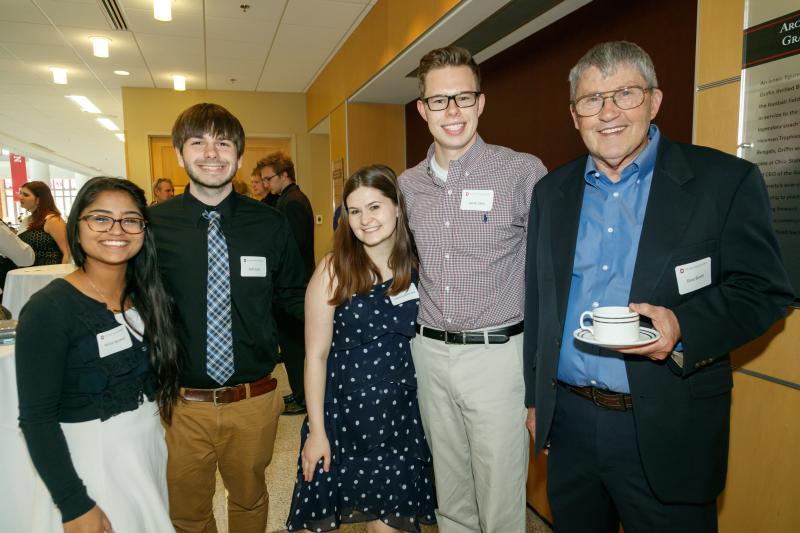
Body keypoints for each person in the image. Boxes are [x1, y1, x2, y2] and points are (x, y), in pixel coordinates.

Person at [523, 41, 794, 533]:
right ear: (574, 115)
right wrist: (536, 399)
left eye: (625, 93)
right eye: (592, 99)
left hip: (671, 425)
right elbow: (538, 303)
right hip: (571, 427)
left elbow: (763, 290)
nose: (608, 112)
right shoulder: (550, 193)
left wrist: (683, 326)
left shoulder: (723, 182)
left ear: (655, 101)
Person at [398, 45, 547, 532]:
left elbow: (549, 271)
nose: (453, 111)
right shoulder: (406, 186)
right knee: (450, 493)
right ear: (422, 109)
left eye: (463, 98)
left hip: (497, 358)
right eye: (439, 101)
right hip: (429, 355)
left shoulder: (522, 172)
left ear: (481, 102)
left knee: (501, 496)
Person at [149, 102, 307, 533]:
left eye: (223, 143)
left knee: (250, 500)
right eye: (197, 142)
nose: (211, 153)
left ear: (238, 156)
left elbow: (294, 296)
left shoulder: (270, 224)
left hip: (252, 401)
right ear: (179, 154)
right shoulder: (152, 226)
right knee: (188, 513)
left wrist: (346, 318)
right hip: (181, 404)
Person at [16, 176, 181, 532]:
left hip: (145, 454)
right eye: (101, 218)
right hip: (93, 466)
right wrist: (74, 504)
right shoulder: (49, 309)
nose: (116, 230)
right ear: (77, 226)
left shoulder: (146, 295)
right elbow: (36, 418)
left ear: (144, 229)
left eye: (130, 220)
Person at [287, 164, 436, 533]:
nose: (365, 220)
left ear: (397, 207)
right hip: (344, 418)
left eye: (374, 207)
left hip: (403, 419)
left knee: (392, 526)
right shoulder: (333, 269)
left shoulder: (419, 267)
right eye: (354, 210)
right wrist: (317, 432)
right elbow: (315, 357)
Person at [258, 152, 315, 415]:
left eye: (269, 178)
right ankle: (299, 391)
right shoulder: (285, 199)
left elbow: (293, 247)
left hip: (294, 285)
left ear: (284, 175)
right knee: (291, 345)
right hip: (290, 285)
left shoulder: (293, 202)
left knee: (294, 347)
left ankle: (303, 397)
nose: (266, 184)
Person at [17, 181, 70, 265]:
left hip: (51, 270)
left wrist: (63, 272)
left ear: (38, 200)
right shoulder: (26, 220)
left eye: (26, 195)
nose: (21, 197)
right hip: (29, 271)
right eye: (20, 193)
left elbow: (67, 253)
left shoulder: (53, 220)